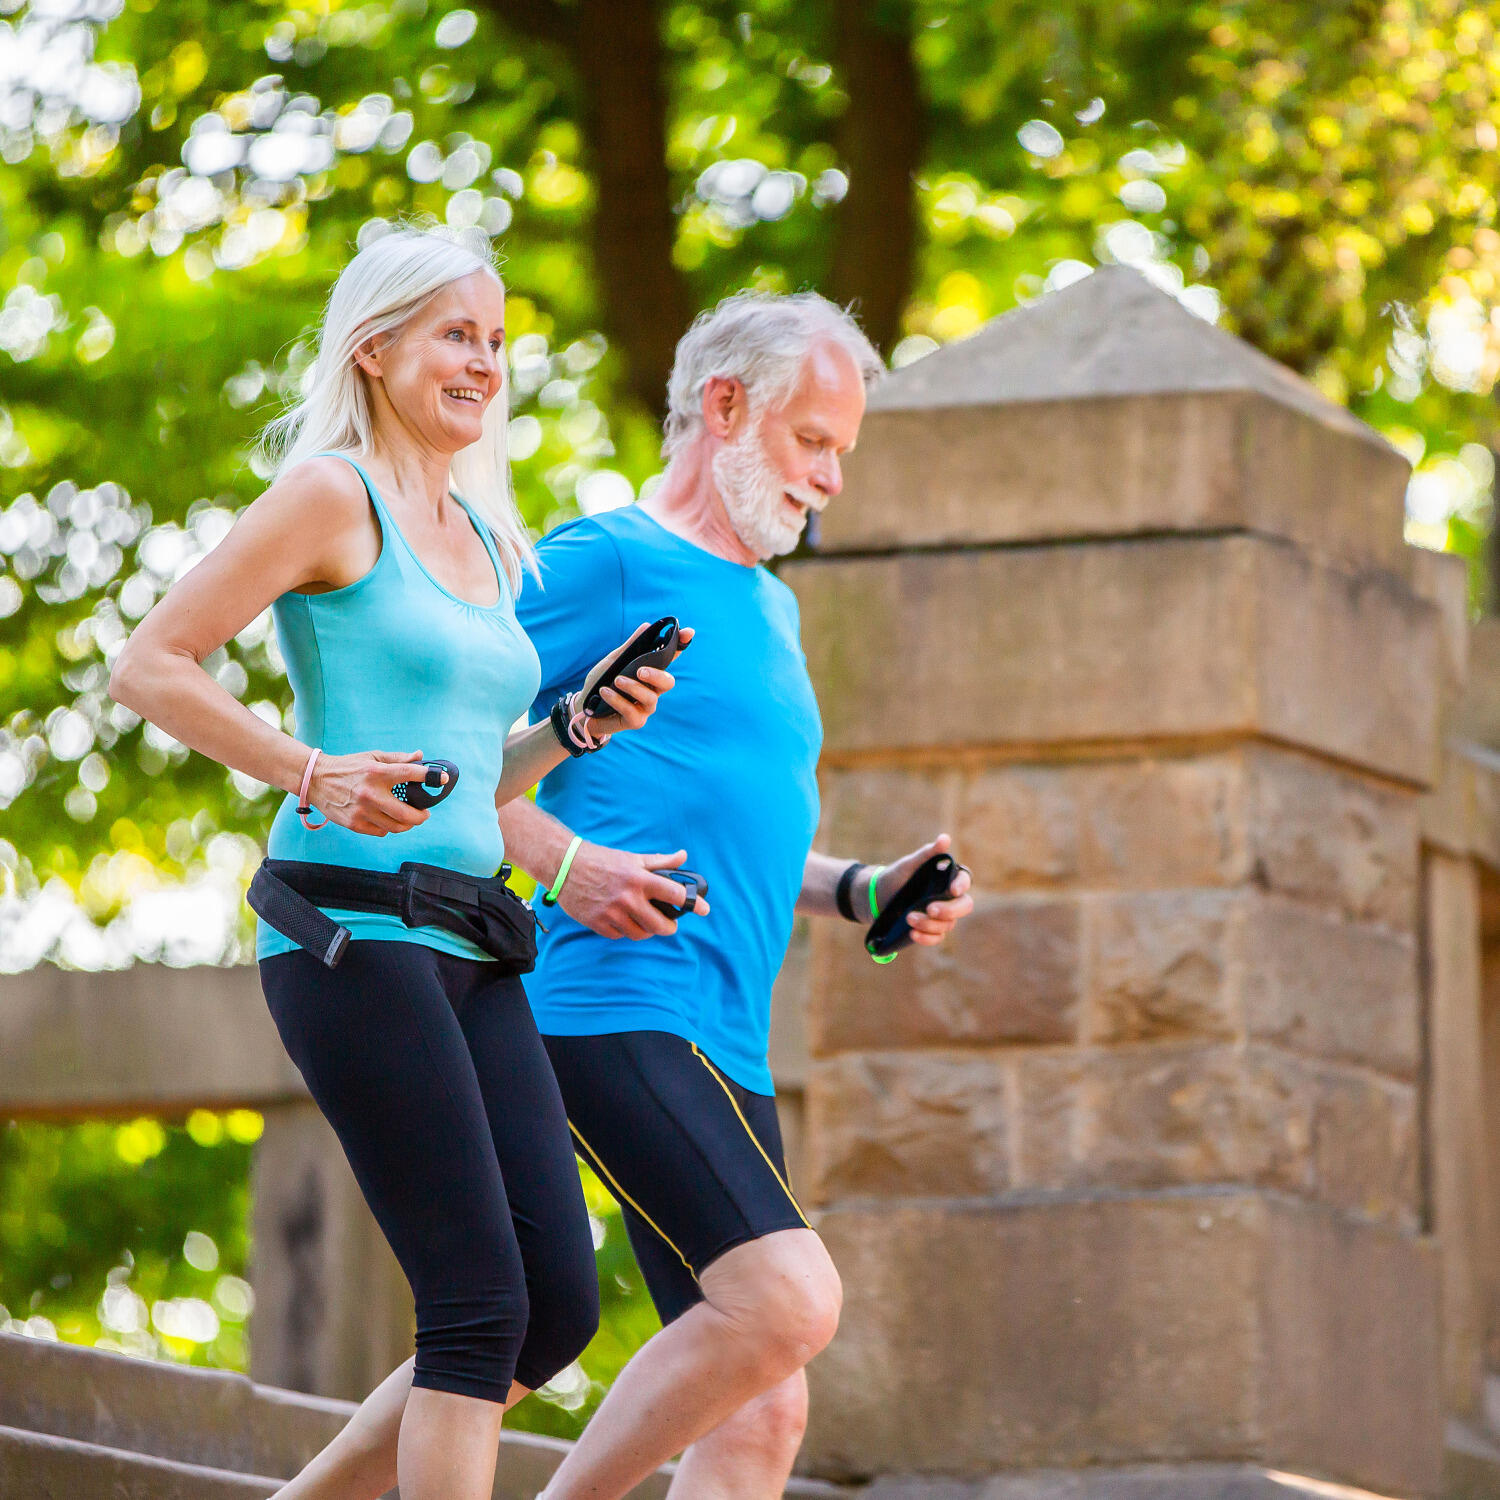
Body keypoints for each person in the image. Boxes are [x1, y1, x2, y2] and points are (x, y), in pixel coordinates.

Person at [290, 290, 975, 1500]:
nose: (829, 478)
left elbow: (728, 842)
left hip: (726, 1036)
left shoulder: (772, 604)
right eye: (813, 441)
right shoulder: (604, 558)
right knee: (782, 1302)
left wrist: (862, 890)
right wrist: (560, 863)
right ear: (725, 407)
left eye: (840, 454)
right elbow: (450, 754)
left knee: (759, 1409)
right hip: (609, 1004)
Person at [107, 226, 681, 1500]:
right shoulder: (333, 495)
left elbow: (469, 779)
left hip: (476, 941)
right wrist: (309, 772)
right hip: (350, 935)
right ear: (374, 350)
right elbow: (148, 663)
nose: (484, 362)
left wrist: (573, 727)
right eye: (455, 336)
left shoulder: (483, 531)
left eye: (496, 339)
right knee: (476, 1303)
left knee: (555, 1313)